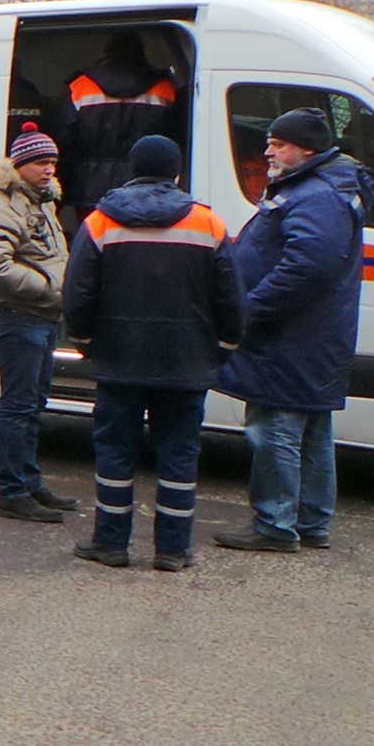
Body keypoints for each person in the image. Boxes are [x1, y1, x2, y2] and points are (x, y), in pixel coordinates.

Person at [63, 136, 245, 572]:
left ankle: (110, 544)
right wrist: (223, 348)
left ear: (131, 168)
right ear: (177, 172)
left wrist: (86, 343)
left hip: (119, 359)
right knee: (179, 455)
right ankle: (172, 550)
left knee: (115, 452)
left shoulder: (101, 221)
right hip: (187, 361)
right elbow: (232, 299)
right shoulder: (208, 224)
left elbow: (78, 293)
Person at [214, 107, 374, 554]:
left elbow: (308, 265)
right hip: (309, 336)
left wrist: (250, 308)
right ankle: (310, 522)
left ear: (308, 149)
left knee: (276, 430)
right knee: (311, 430)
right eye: (270, 141)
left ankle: (275, 522)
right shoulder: (317, 189)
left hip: (290, 337)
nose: (268, 150)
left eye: (279, 143)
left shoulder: (315, 196)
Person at [0, 122, 78, 523]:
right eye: (39, 162)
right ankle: (11, 492)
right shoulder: (1, 202)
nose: (49, 169)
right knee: (17, 406)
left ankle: (30, 482)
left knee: (34, 403)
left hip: (43, 314)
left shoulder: (42, 199)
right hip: (20, 314)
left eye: (52, 161)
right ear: (20, 166)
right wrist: (52, 289)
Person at [58, 32, 178, 222]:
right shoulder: (165, 87)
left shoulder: (81, 85)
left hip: (91, 187)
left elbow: (64, 139)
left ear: (108, 52)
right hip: (147, 190)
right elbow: (178, 138)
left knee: (95, 243)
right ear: (142, 53)